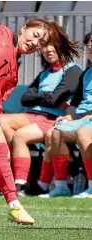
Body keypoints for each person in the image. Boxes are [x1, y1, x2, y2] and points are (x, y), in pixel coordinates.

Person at [0, 6, 80, 225]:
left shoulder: (13, 75)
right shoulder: (0, 31)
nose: (35, 43)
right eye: (35, 35)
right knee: (2, 149)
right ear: (24, 29)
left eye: (40, 43)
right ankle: (14, 204)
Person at [0, 42, 82, 196]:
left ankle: (20, 184)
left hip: (53, 118)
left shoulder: (73, 71)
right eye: (44, 46)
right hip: (33, 115)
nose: (48, 49)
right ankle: (11, 173)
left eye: (53, 45)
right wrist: (46, 96)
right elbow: (25, 99)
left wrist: (41, 98)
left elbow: (54, 100)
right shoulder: (44, 73)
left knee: (20, 135)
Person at [39, 41, 92, 198]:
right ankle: (61, 186)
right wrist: (69, 115)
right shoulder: (86, 74)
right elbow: (75, 103)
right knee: (56, 132)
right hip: (81, 119)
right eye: (89, 45)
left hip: (87, 122)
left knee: (83, 132)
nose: (90, 48)